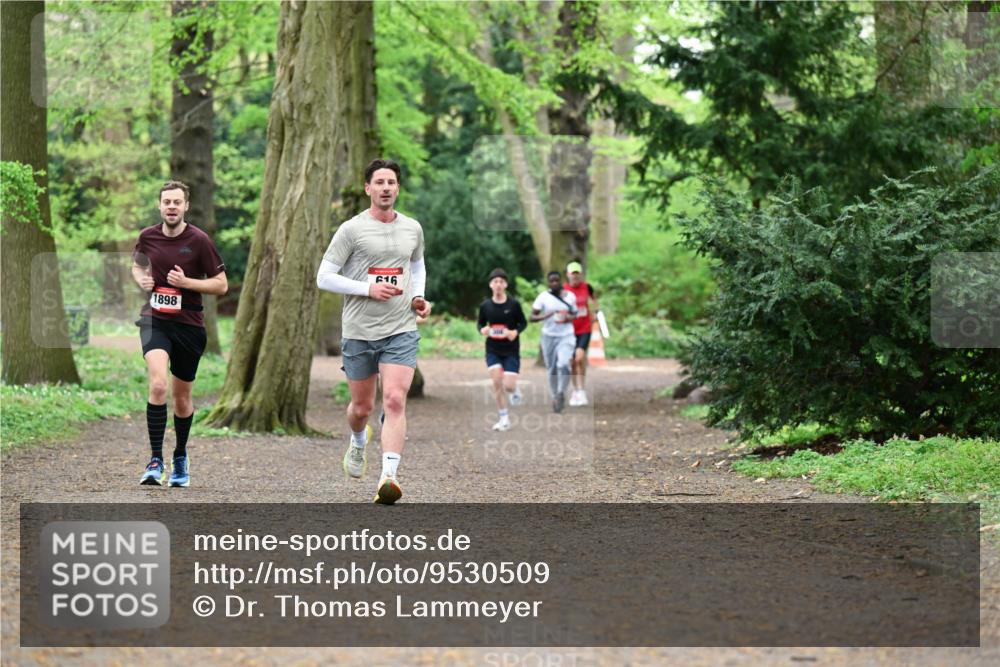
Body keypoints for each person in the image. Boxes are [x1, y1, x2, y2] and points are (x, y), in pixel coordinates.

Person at [316, 158, 431, 504]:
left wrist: (418, 297)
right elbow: (324, 277)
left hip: (401, 328)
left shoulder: (412, 228)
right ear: (368, 188)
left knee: (395, 399)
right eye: (379, 182)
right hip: (360, 330)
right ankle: (357, 439)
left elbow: (417, 265)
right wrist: (368, 288)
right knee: (362, 407)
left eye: (391, 182)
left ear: (398, 188)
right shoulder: (351, 229)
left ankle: (389, 477)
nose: (385, 188)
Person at [133, 180, 228, 488]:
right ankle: (155, 460)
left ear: (186, 206)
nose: (171, 207)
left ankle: (180, 455)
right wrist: (142, 280)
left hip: (189, 326)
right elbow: (136, 266)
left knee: (182, 398)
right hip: (155, 321)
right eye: (166, 202)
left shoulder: (199, 240)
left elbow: (221, 284)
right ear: (159, 206)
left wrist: (187, 283)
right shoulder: (147, 236)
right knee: (158, 384)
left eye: (177, 202)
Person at [477, 268, 527, 431]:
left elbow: (523, 323)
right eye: (495, 282)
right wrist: (482, 330)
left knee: (509, 386)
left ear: (505, 284)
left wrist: (515, 332)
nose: (498, 285)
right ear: (491, 285)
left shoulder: (513, 304)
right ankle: (504, 418)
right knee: (497, 381)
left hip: (511, 350)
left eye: (501, 282)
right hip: (493, 350)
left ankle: (514, 390)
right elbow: (480, 323)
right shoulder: (485, 305)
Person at [530, 271, 577, 413]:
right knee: (551, 368)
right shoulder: (543, 297)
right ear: (548, 283)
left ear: (561, 281)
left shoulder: (570, 296)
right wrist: (545, 316)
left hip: (566, 335)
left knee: (563, 364)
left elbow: (575, 313)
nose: (554, 283)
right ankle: (555, 397)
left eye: (557, 280)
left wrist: (567, 318)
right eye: (552, 281)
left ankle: (561, 392)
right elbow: (531, 317)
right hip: (548, 336)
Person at [564, 261, 599, 406]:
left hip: (584, 328)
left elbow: (595, 300)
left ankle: (582, 389)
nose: (575, 277)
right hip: (569, 330)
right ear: (568, 275)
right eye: (573, 274)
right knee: (572, 361)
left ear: (581, 275)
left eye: (577, 274)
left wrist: (595, 313)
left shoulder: (587, 288)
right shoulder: (564, 290)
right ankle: (576, 391)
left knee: (580, 356)